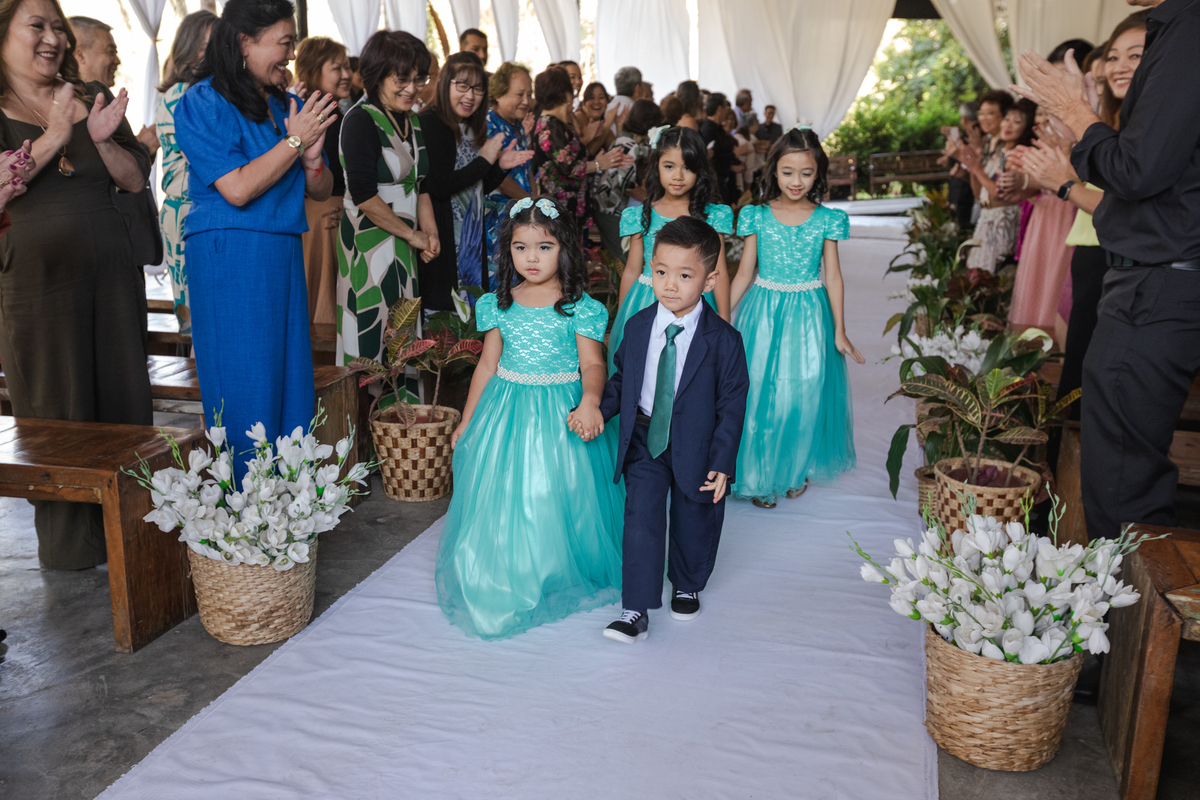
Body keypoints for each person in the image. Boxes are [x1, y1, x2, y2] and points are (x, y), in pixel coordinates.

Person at [1013, 0, 1200, 542]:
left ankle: (1118, 620)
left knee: (1122, 480)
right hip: (1157, 275)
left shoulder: (1188, 28)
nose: (1122, 64)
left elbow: (1136, 173)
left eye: (1133, 55)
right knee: (1119, 467)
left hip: (1159, 282)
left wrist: (1075, 111)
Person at [0, 0, 152, 569]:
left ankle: (137, 533)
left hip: (111, 277)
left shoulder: (89, 94)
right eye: (35, 26)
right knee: (57, 414)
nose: (51, 39)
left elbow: (136, 180)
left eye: (57, 27)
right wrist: (57, 132)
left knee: (124, 402)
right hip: (36, 288)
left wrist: (104, 138)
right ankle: (73, 548)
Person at [436, 197, 623, 640]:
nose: (532, 258)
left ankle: (556, 568)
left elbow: (593, 365)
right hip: (507, 410)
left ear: (565, 250)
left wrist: (591, 401)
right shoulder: (499, 303)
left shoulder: (579, 306)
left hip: (561, 411)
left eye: (544, 247)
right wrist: (467, 419)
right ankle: (507, 567)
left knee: (558, 493)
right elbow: (486, 365)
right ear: (508, 252)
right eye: (521, 248)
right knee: (505, 493)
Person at [174, 0, 338, 473]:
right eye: (283, 43)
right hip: (234, 254)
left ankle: (287, 508)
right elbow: (239, 187)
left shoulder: (276, 103)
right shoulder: (201, 101)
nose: (289, 55)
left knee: (290, 382)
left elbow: (321, 189)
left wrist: (310, 158)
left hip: (281, 247)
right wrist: (294, 142)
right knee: (245, 383)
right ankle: (247, 515)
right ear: (246, 42)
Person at [595, 216, 750, 643]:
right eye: (660, 272)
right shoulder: (640, 325)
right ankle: (634, 610)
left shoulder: (724, 341)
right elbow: (623, 380)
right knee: (640, 519)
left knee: (694, 517)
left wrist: (722, 462)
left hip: (698, 443)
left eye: (684, 275)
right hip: (645, 438)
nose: (669, 285)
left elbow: (732, 405)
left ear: (710, 278)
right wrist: (598, 411)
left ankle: (687, 582)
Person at [729, 127, 863, 508]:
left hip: (809, 315)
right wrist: (721, 316)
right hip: (763, 311)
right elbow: (744, 273)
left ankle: (791, 470)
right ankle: (756, 475)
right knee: (758, 392)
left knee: (802, 393)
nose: (796, 181)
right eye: (788, 172)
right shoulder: (757, 216)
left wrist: (839, 329)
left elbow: (833, 276)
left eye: (806, 173)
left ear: (818, 174)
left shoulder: (826, 219)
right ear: (773, 171)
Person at [338, 30, 436, 371]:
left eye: (418, 78)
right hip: (371, 245)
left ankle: (402, 422)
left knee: (404, 338)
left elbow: (419, 184)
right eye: (402, 79)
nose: (412, 88)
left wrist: (430, 232)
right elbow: (364, 196)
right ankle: (368, 423)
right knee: (372, 335)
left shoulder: (411, 121)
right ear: (378, 75)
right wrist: (412, 235)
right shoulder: (360, 120)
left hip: (404, 247)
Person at [608, 126, 734, 372]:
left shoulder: (711, 215)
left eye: (687, 167)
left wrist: (725, 316)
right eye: (669, 166)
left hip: (694, 299)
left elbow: (719, 270)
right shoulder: (641, 215)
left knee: (689, 370)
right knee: (646, 369)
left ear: (700, 170)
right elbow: (633, 270)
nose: (678, 175)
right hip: (646, 300)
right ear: (656, 166)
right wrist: (625, 316)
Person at [420, 51, 531, 303]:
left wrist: (499, 167)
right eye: (462, 86)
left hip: (471, 238)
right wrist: (484, 161)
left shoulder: (470, 125)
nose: (470, 95)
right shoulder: (430, 123)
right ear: (444, 83)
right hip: (445, 237)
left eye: (478, 89)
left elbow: (475, 188)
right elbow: (438, 186)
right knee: (448, 317)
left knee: (472, 311)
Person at [155, 9, 216, 336]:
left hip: (186, 207)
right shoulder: (185, 94)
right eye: (211, 44)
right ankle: (201, 382)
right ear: (191, 48)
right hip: (188, 209)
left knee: (200, 311)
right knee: (199, 317)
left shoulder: (181, 92)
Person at [1006, 103, 1077, 333]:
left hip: (1067, 213)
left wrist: (1025, 181)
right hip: (1042, 216)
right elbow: (1028, 191)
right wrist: (1017, 183)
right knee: (1036, 279)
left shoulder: (1075, 144)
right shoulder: (1033, 148)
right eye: (1039, 113)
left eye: (1049, 114)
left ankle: (1055, 340)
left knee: (1057, 276)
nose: (1042, 119)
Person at [295, 35, 351, 326]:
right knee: (319, 310)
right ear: (314, 70)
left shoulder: (339, 112)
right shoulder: (309, 114)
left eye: (347, 67)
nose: (346, 74)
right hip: (319, 219)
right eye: (336, 68)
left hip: (336, 215)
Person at [532, 66, 628, 229]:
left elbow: (572, 156)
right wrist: (599, 164)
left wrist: (590, 139)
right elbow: (569, 167)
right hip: (556, 207)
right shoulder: (549, 126)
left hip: (571, 202)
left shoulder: (561, 125)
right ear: (566, 95)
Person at [956, 91, 1025, 271]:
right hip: (986, 216)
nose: (984, 118)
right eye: (981, 113)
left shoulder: (1010, 148)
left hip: (1003, 218)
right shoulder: (988, 144)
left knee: (996, 272)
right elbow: (978, 193)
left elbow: (998, 191)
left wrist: (976, 168)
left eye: (990, 113)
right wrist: (974, 164)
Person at [70, 15, 158, 157]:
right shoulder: (75, 103)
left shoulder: (97, 96)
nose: (117, 61)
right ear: (80, 55)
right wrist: (143, 147)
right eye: (110, 52)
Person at [591, 98, 663, 265]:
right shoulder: (630, 146)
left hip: (612, 209)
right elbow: (628, 187)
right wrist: (657, 203)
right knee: (624, 260)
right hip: (611, 210)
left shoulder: (630, 141)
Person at [483, 61, 533, 276]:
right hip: (498, 222)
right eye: (519, 94)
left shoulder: (516, 125)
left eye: (529, 94)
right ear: (499, 93)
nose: (526, 101)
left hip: (521, 216)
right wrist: (532, 203)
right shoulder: (488, 124)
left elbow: (526, 168)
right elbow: (498, 177)